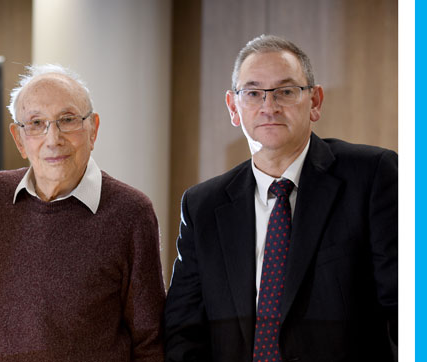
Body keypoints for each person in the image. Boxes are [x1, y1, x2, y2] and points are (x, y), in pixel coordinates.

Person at [163, 35, 397, 362]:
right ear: (234, 107)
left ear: (315, 102)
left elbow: (403, 307)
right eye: (254, 93)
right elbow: (183, 330)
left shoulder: (372, 175)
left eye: (286, 92)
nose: (269, 107)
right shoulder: (203, 206)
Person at [0, 64, 165, 362]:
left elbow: (149, 340)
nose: (53, 138)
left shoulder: (131, 212)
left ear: (93, 128)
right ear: (19, 139)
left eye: (67, 120)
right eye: (35, 123)